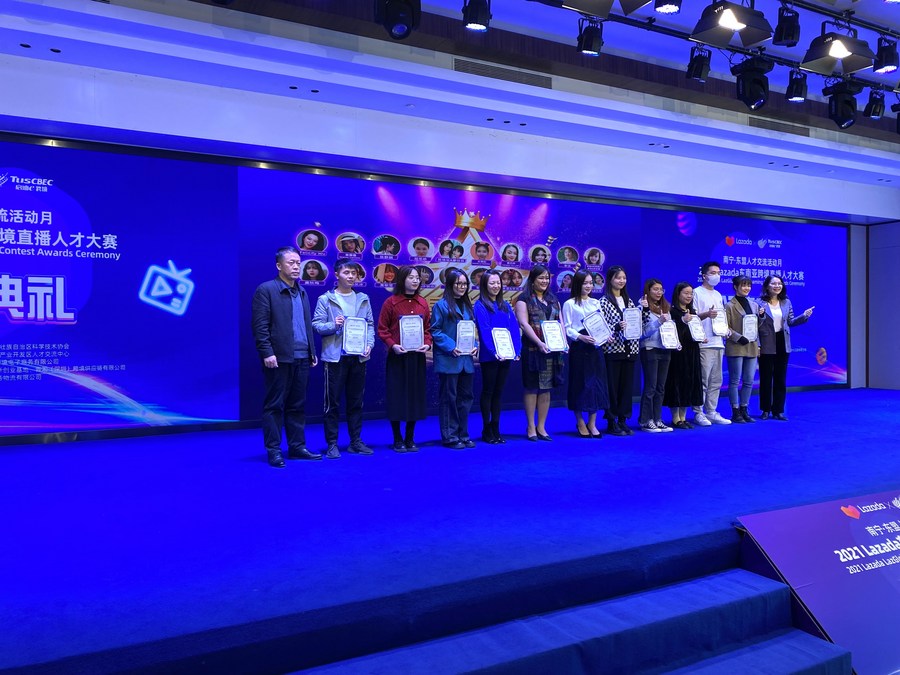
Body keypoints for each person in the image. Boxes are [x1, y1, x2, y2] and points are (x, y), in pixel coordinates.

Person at [251, 246, 320, 468]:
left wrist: (311, 351)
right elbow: (260, 326)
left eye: (298, 263)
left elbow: (305, 325)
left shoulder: (302, 291)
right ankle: (274, 450)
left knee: (297, 405)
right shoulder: (266, 290)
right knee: (274, 406)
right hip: (279, 357)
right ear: (279, 265)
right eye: (291, 262)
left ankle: (297, 447)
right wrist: (267, 352)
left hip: (302, 357)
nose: (296, 266)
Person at [312, 259, 376, 458]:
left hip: (358, 358)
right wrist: (333, 324)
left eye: (354, 273)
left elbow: (370, 325)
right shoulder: (326, 299)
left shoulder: (363, 298)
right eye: (346, 272)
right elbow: (316, 325)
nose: (351, 276)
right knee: (332, 404)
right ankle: (332, 443)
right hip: (335, 358)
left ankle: (355, 441)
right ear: (337, 274)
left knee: (356, 402)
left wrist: (369, 344)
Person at [377, 266, 432, 451]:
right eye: (411, 277)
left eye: (417, 278)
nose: (415, 281)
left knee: (414, 397)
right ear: (402, 280)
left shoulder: (422, 303)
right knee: (397, 397)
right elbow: (382, 329)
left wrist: (427, 343)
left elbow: (427, 330)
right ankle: (397, 438)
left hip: (416, 357)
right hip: (397, 357)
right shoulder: (390, 302)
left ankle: (410, 437)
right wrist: (393, 345)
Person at [515, 265, 565, 441]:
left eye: (546, 278)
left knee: (546, 389)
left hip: (552, 350)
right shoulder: (523, 299)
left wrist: (563, 342)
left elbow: (560, 322)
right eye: (541, 278)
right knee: (532, 388)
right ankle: (531, 426)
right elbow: (524, 324)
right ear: (533, 280)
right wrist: (539, 342)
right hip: (533, 349)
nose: (544, 281)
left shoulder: (553, 299)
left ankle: (541, 427)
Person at [431, 268, 478, 449]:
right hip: (449, 359)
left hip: (466, 360)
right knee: (449, 398)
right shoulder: (441, 305)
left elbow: (470, 331)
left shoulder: (467, 306)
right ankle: (450, 436)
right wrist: (451, 346)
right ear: (450, 285)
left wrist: (474, 345)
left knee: (466, 398)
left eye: (465, 284)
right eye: (458, 283)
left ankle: (463, 434)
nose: (462, 287)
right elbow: (435, 330)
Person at [474, 269, 521, 444]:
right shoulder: (480, 305)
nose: (496, 286)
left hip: (506, 356)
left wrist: (516, 351)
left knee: (498, 393)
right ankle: (486, 429)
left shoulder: (505, 305)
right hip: (490, 356)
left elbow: (514, 328)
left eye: (498, 283)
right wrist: (495, 351)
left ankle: (496, 427)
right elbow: (485, 331)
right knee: (488, 391)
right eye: (492, 283)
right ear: (484, 285)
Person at [757, 275, 813, 421]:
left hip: (783, 341)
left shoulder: (786, 302)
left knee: (780, 378)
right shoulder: (758, 302)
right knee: (766, 378)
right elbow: (755, 325)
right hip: (766, 342)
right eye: (773, 283)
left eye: (779, 283)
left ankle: (778, 410)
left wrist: (804, 316)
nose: (777, 286)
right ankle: (765, 409)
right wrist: (758, 345)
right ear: (767, 286)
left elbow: (790, 322)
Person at [561, 270, 609, 438]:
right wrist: (581, 337)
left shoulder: (596, 303)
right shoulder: (569, 304)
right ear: (577, 284)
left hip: (595, 348)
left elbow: (601, 324)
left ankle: (592, 423)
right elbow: (567, 328)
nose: (588, 286)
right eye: (585, 283)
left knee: (596, 385)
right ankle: (580, 421)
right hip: (580, 348)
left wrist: (606, 336)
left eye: (590, 283)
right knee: (580, 385)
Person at [598, 265, 639, 436]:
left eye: (624, 278)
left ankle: (623, 419)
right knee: (612, 387)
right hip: (613, 350)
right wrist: (615, 327)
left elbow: (636, 322)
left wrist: (642, 311)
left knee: (626, 388)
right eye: (618, 278)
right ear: (610, 280)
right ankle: (611, 420)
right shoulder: (604, 302)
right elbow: (601, 326)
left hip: (631, 348)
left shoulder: (629, 301)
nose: (622, 281)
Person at [691, 261, 731, 426]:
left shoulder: (718, 294)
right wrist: (706, 314)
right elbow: (692, 317)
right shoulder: (696, 292)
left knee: (716, 381)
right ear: (704, 275)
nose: (717, 276)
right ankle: (698, 412)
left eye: (718, 273)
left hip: (718, 342)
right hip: (704, 342)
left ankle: (712, 411)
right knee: (703, 380)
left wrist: (725, 329)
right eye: (713, 273)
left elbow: (720, 316)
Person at [663, 282, 704, 430]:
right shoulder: (672, 312)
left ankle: (684, 416)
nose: (689, 296)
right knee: (677, 383)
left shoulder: (692, 312)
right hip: (678, 353)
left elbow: (696, 330)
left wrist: (702, 336)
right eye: (686, 293)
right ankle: (676, 418)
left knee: (689, 382)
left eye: (691, 293)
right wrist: (682, 321)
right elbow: (671, 332)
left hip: (692, 351)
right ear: (678, 294)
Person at [638, 278, 673, 433]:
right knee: (651, 387)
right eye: (655, 289)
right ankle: (646, 420)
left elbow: (670, 329)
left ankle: (658, 419)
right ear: (648, 290)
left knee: (660, 387)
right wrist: (658, 321)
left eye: (661, 290)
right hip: (650, 349)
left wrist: (675, 341)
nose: (659, 292)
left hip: (665, 349)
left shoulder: (665, 307)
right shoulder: (642, 308)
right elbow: (643, 333)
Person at [725, 275, 760, 424]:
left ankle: (744, 408)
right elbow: (725, 327)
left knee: (749, 380)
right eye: (743, 285)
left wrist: (761, 317)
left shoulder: (754, 305)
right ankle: (735, 411)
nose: (747, 288)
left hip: (751, 346)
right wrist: (738, 337)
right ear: (735, 287)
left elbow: (757, 326)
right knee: (734, 380)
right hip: (736, 346)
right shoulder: (729, 305)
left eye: (749, 285)